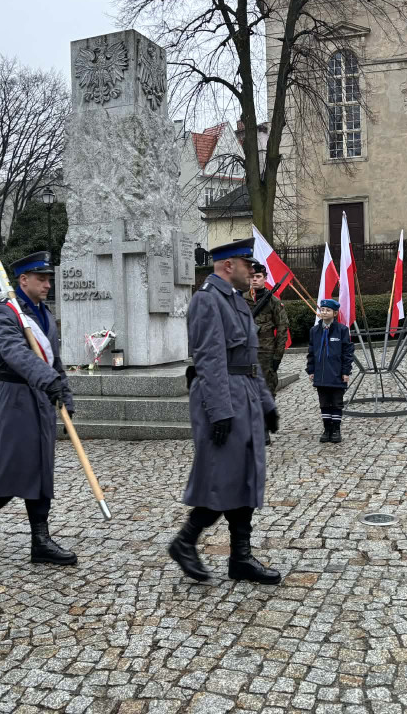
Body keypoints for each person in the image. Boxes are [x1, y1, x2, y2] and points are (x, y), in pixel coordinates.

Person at [169, 237, 281, 585]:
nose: (253, 270)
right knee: (222, 478)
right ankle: (185, 542)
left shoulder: (235, 301)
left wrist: (266, 404)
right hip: (222, 398)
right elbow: (209, 360)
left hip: (243, 394)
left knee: (245, 476)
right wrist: (219, 411)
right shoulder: (207, 302)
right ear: (228, 265)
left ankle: (241, 558)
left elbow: (249, 360)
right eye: (248, 264)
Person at [0, 251, 78, 565]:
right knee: (12, 468)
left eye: (48, 279)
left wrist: (64, 393)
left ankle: (40, 541)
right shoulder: (5, 313)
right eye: (41, 278)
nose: (47, 284)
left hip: (39, 397)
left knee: (40, 467)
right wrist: (48, 379)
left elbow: (53, 358)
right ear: (23, 280)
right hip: (13, 397)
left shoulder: (43, 314)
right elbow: (14, 353)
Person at [242, 263, 289, 445]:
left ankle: (263, 430)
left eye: (258, 277)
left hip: (266, 352)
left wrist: (277, 356)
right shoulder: (241, 299)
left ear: (265, 278)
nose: (255, 279)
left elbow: (283, 329)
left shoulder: (273, 301)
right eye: (252, 277)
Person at [307, 298, 355, 443]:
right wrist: (311, 370)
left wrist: (346, 372)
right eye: (322, 310)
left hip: (336, 375)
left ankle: (336, 429)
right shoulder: (314, 331)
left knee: (336, 402)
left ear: (335, 313)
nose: (324, 312)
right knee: (324, 402)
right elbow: (311, 352)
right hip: (321, 375)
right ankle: (327, 429)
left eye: (327, 310)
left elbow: (347, 352)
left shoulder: (342, 330)